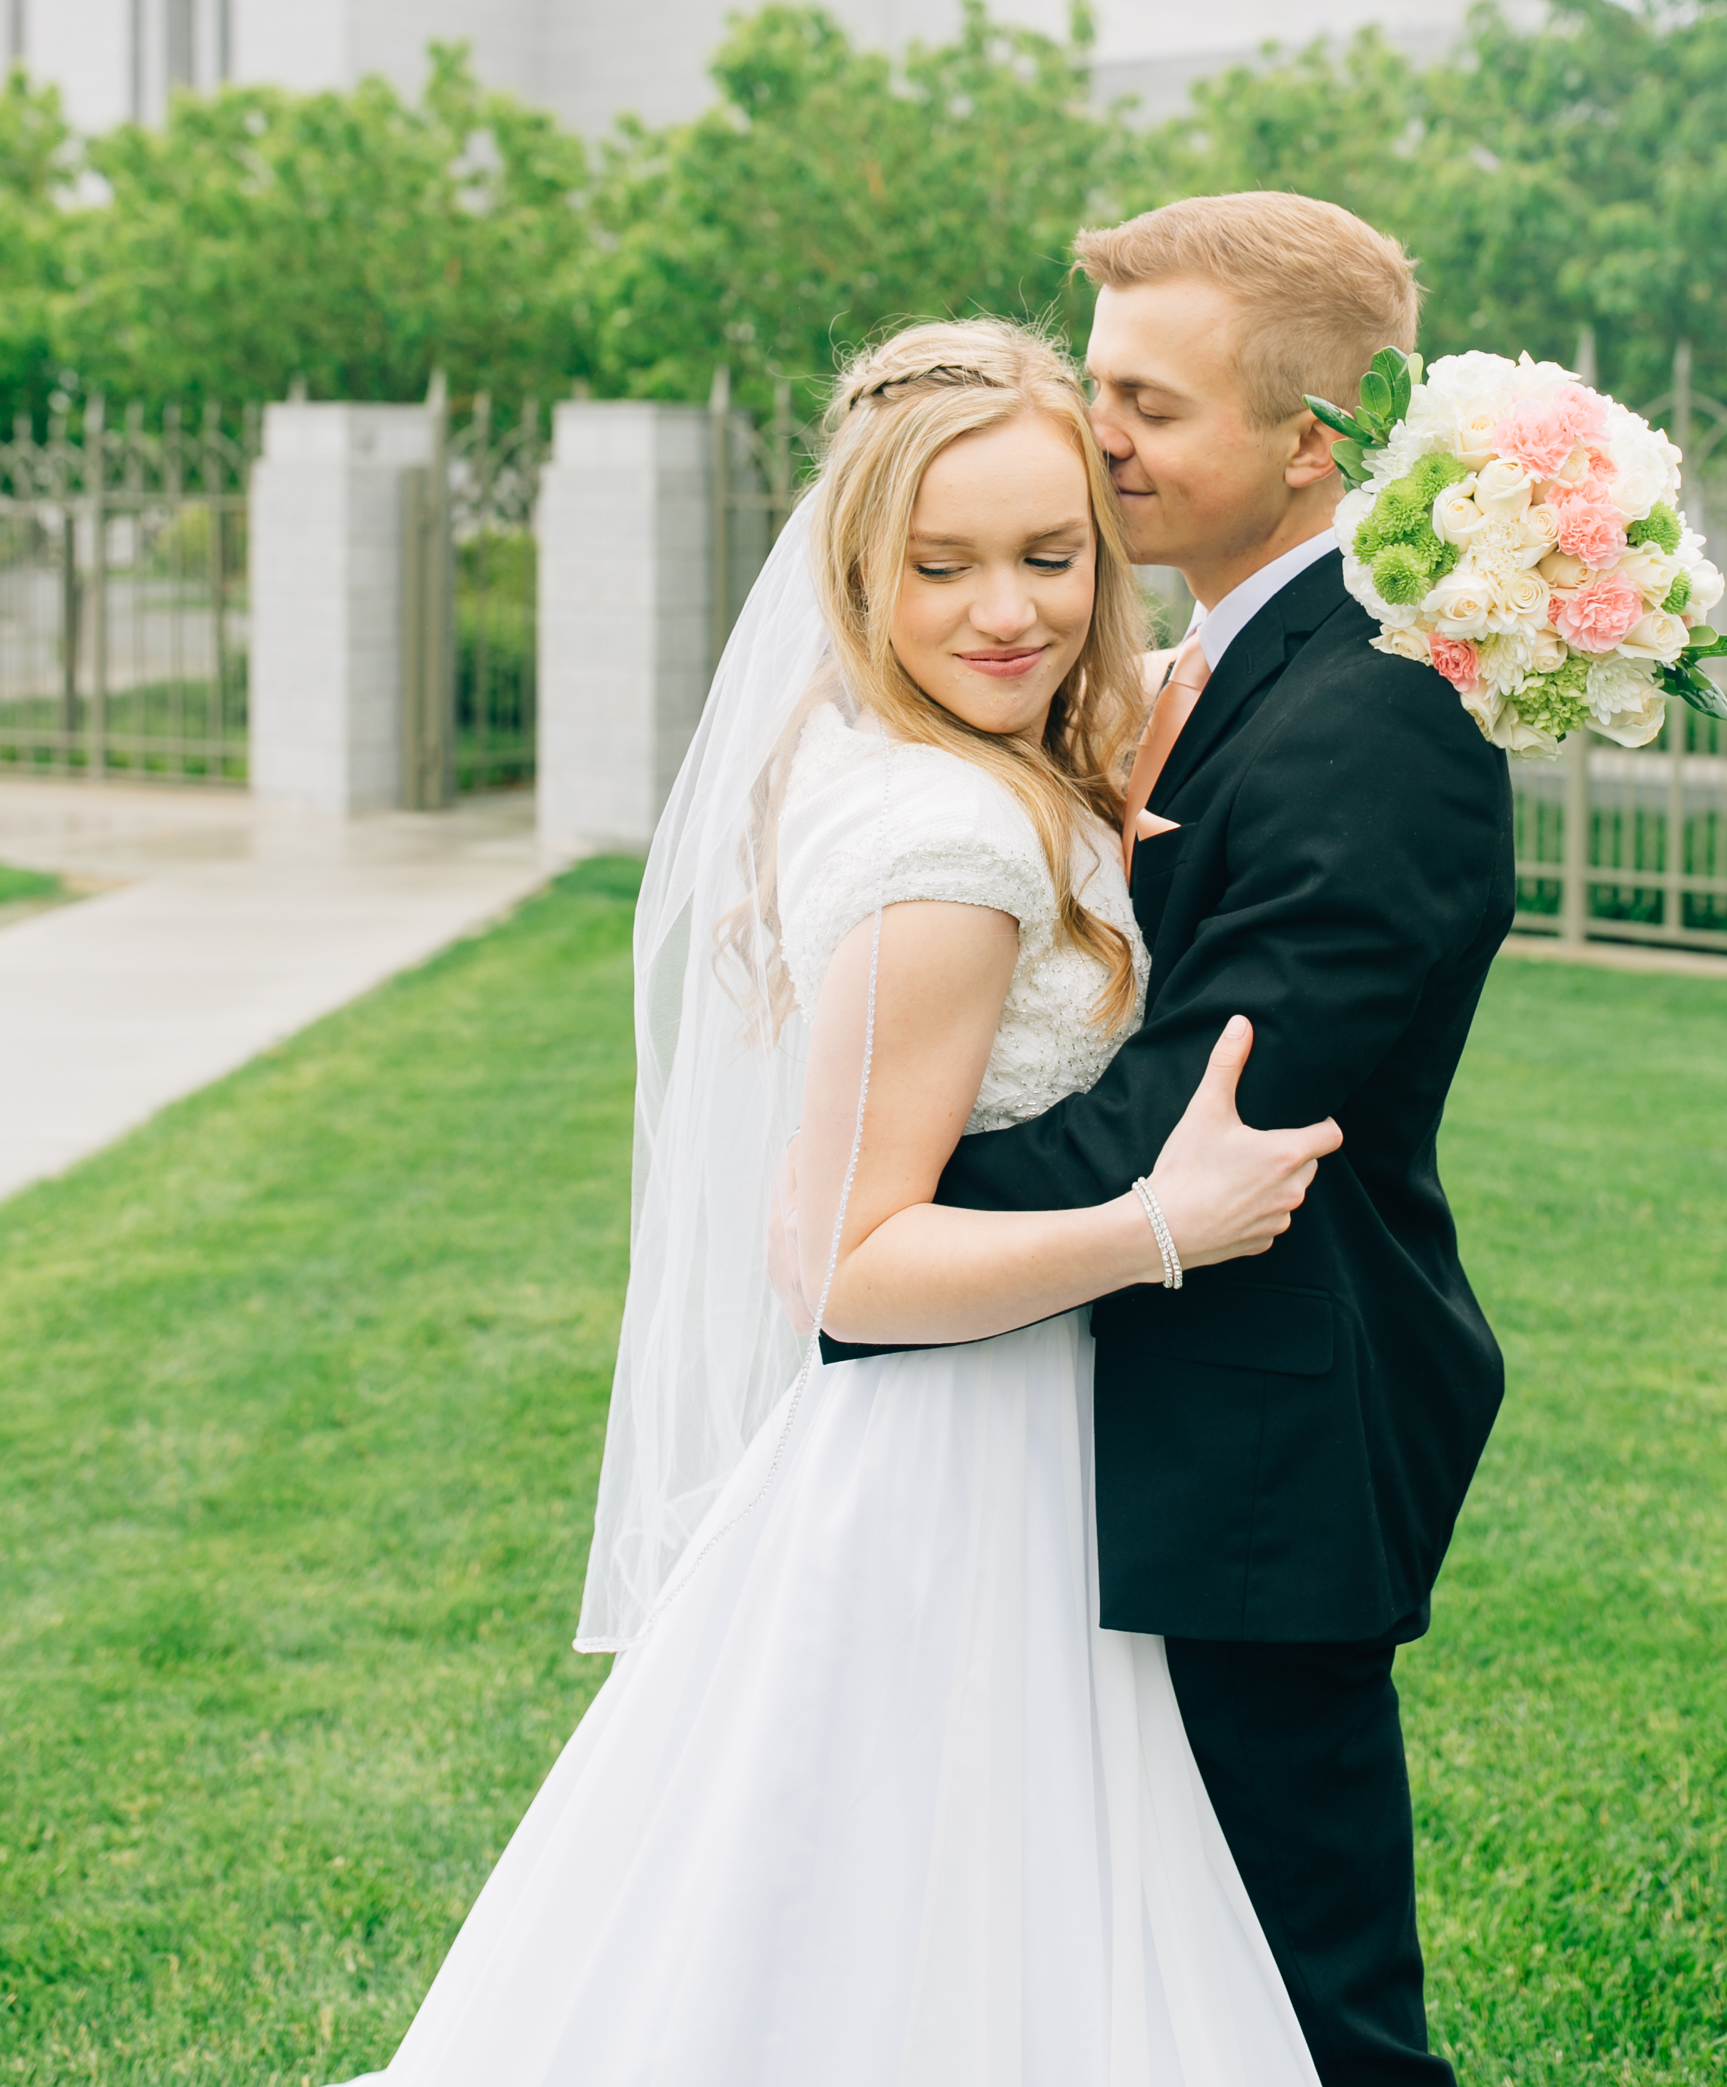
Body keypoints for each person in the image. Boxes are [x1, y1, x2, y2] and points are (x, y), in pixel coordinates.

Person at [333, 315, 1339, 2085]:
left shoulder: (917, 755)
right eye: (939, 567)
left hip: (1000, 1443)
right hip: (954, 1468)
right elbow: (846, 1264)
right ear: (858, 568)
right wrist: (1163, 1223)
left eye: (1048, 557)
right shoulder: (945, 849)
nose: (1006, 610)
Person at [908, 194, 1517, 2084]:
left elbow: (1207, 1108)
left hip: (1264, 1433)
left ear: (1309, 444)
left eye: (1147, 406)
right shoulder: (1215, 657)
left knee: (1306, 1999)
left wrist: (882, 1236)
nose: (1097, 439)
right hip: (1142, 1395)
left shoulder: (1374, 715)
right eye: (1101, 387)